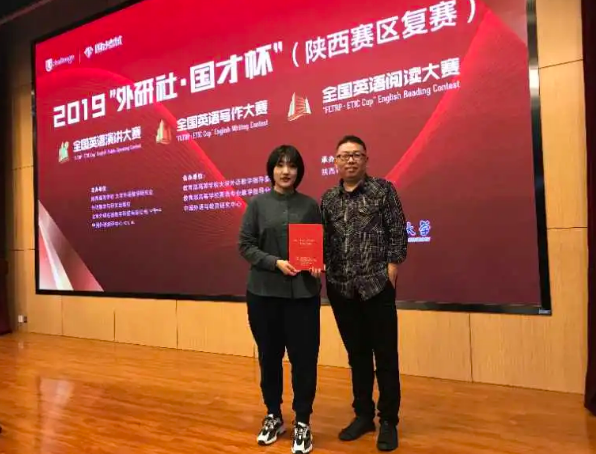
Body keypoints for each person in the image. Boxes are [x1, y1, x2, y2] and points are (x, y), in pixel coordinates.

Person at [320, 135, 408, 451]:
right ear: (335, 161)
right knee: (357, 356)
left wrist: (392, 267)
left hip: (376, 287)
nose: (350, 160)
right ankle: (363, 415)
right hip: (342, 288)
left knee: (385, 356)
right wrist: (316, 263)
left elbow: (397, 230)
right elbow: (323, 239)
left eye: (356, 154)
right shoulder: (328, 199)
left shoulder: (383, 190)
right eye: (344, 155)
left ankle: (389, 421)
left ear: (366, 159)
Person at [239, 145, 322, 454]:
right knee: (269, 357)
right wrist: (274, 262)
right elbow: (245, 245)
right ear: (271, 170)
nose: (286, 171)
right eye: (280, 165)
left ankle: (303, 421)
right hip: (263, 295)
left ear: (299, 171)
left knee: (304, 360)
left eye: (292, 166)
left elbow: (319, 244)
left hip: (303, 295)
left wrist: (317, 262)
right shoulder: (257, 205)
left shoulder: (310, 205)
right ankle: (273, 415)